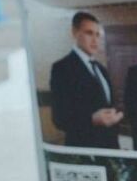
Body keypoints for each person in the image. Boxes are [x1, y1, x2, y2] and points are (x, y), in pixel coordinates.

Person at [49, 11, 123, 149]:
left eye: (97, 35)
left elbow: (107, 104)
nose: (95, 40)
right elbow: (59, 119)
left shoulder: (101, 69)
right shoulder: (62, 68)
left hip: (110, 148)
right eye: (89, 33)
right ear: (74, 33)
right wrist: (92, 119)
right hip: (83, 149)